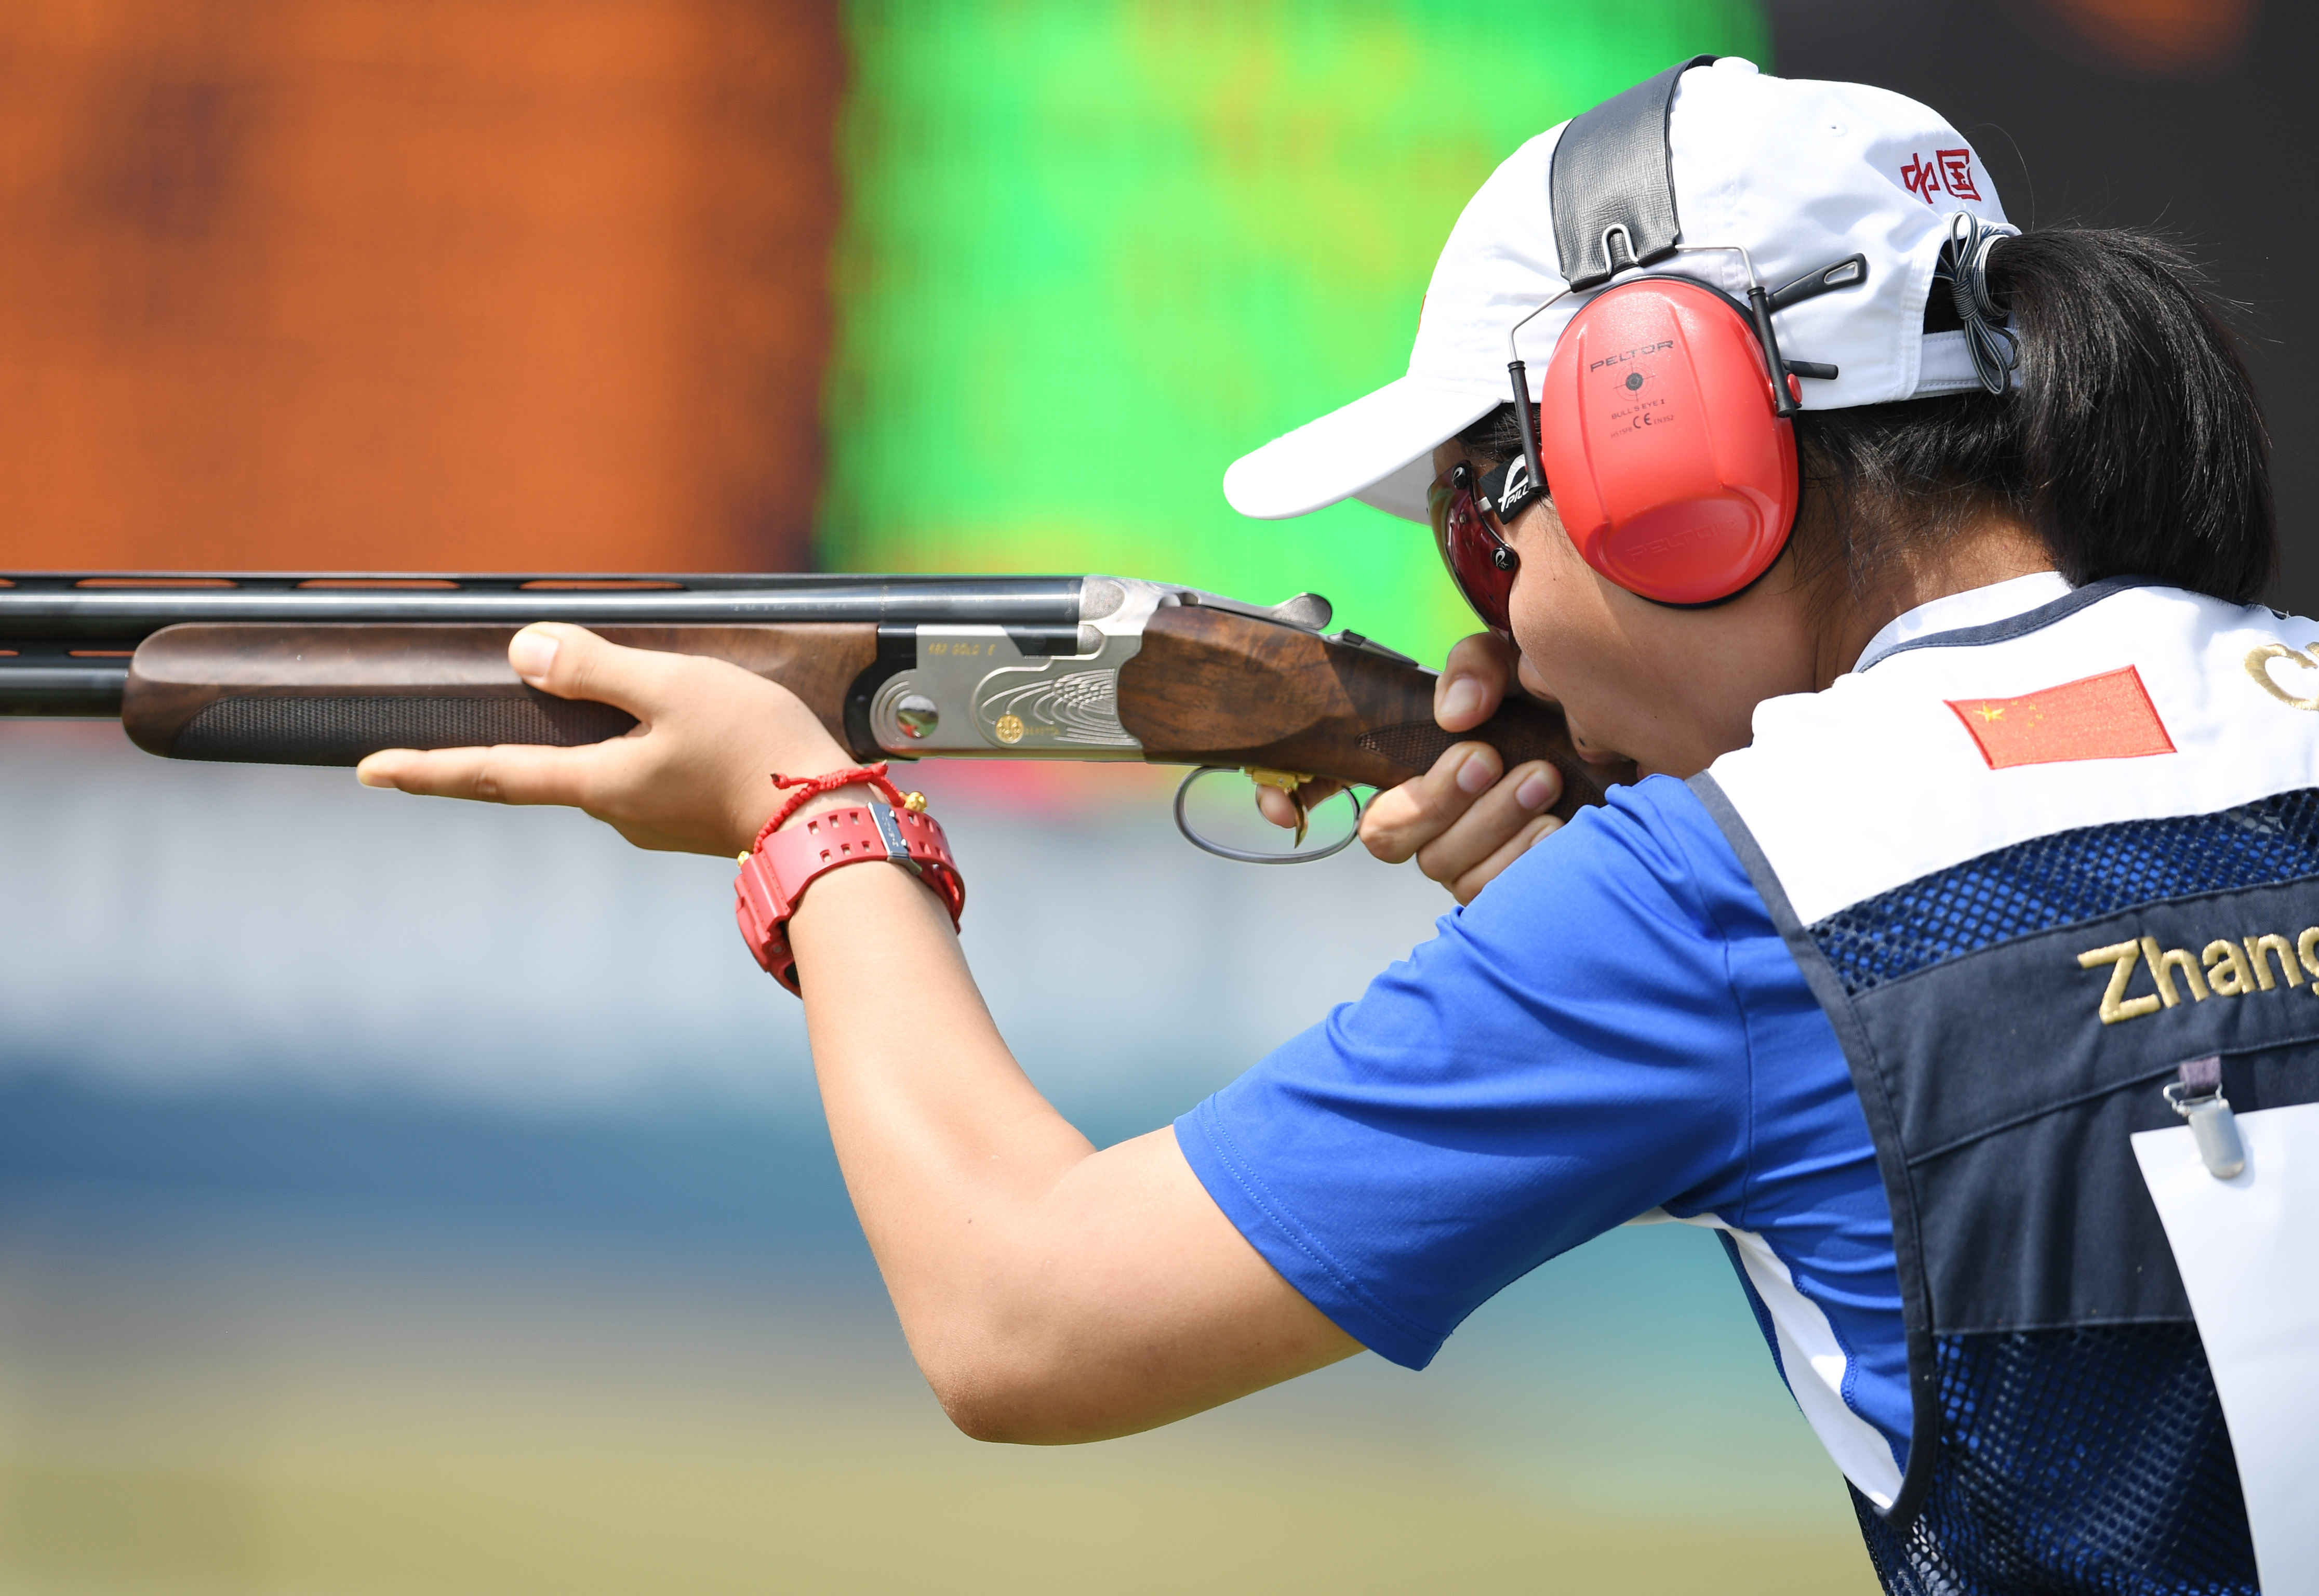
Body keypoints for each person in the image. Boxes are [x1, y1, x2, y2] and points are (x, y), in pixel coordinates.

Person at [355, 58, 2309, 1594]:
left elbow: (1019, 1314)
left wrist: (811, 819)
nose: (1492, 614)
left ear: (1663, 445)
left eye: (1486, 514)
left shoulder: (1718, 906)